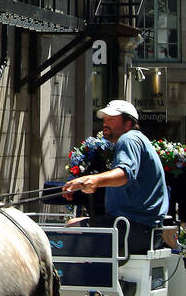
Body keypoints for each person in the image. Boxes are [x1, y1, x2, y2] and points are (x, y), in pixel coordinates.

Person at [62, 100, 169, 254]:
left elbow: (124, 174)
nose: (105, 124)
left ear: (128, 123)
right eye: (105, 120)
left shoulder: (128, 139)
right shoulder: (138, 140)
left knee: (71, 229)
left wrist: (94, 180)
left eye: (111, 119)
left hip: (134, 228)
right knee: (73, 224)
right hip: (141, 228)